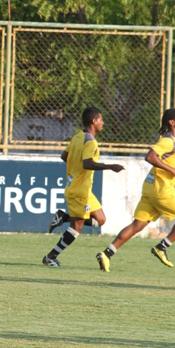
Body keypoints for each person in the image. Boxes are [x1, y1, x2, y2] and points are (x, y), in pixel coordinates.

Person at [96, 109, 175, 272]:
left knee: (137, 225)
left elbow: (164, 158)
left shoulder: (174, 142)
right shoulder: (168, 141)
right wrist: (172, 169)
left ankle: (107, 253)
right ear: (172, 122)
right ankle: (162, 247)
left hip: (150, 189)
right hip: (162, 190)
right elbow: (150, 156)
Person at [43, 107, 124, 267]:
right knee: (76, 227)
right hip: (79, 191)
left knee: (100, 220)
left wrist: (75, 170)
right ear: (94, 121)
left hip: (84, 190)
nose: (103, 123)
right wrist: (110, 166)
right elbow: (87, 163)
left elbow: (64, 156)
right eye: (101, 119)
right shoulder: (91, 142)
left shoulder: (77, 137)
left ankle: (63, 217)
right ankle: (50, 257)